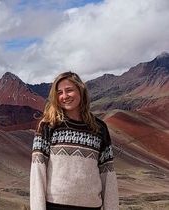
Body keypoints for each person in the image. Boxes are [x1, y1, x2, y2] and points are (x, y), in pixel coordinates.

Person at [30, 71, 119, 210]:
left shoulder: (99, 128)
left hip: (91, 206)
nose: (64, 96)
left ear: (81, 91)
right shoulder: (48, 125)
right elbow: (38, 171)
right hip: (55, 206)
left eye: (69, 90)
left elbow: (108, 175)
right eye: (59, 92)